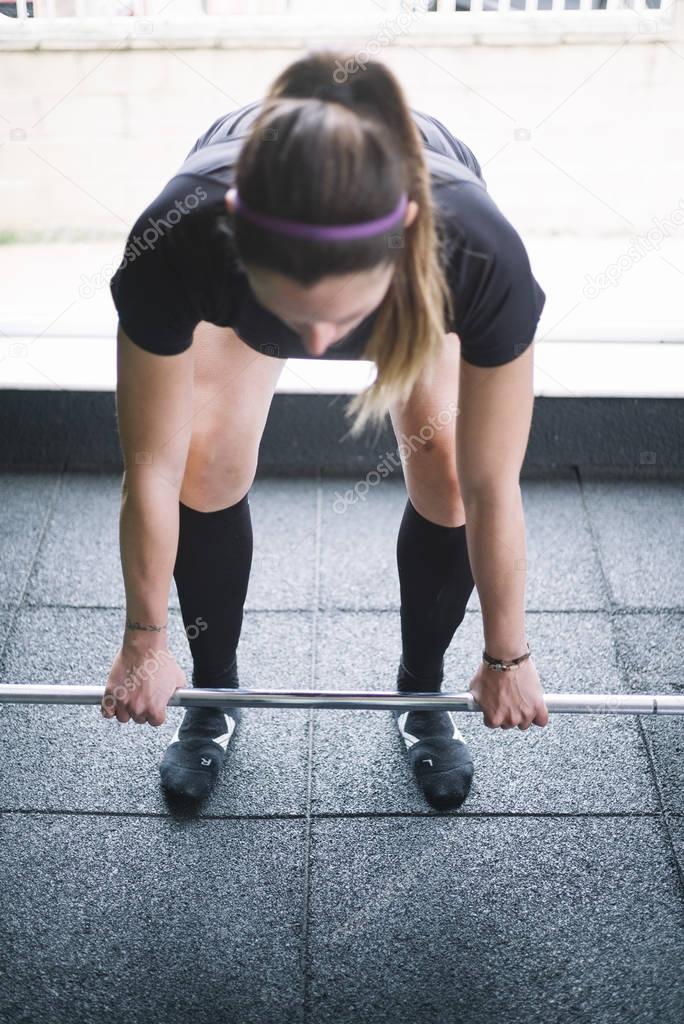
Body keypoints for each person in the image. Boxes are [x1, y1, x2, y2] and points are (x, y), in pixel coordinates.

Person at [102, 48, 550, 812]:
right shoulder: (178, 239)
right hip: (259, 267)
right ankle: (212, 693)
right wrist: (144, 639)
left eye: (340, 319)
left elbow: (491, 478)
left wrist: (507, 653)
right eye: (295, 314)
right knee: (201, 460)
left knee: (445, 467)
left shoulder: (475, 252)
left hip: (412, 291)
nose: (318, 348)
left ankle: (424, 695)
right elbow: (150, 463)